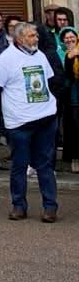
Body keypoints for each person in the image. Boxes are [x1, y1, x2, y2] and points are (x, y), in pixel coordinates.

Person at [0, 21, 61, 222]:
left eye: (36, 36)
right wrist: (3, 114)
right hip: (19, 122)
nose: (35, 39)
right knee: (19, 165)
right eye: (31, 36)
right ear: (19, 39)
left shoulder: (41, 56)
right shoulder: (5, 60)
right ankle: (19, 206)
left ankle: (50, 207)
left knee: (45, 165)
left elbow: (50, 82)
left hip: (45, 118)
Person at [61, 27, 79, 174]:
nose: (69, 39)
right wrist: (69, 57)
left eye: (72, 36)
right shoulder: (61, 54)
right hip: (71, 96)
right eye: (66, 37)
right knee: (74, 127)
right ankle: (75, 159)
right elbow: (66, 75)